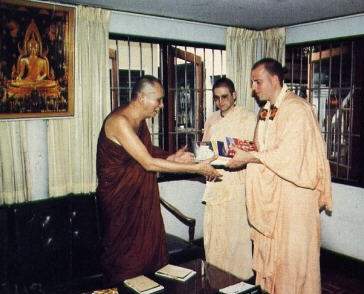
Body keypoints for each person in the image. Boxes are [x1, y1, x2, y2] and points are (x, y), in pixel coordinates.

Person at [96, 75, 221, 286]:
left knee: (151, 265)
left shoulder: (139, 122)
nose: (162, 106)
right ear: (142, 97)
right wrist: (195, 167)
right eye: (159, 100)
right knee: (126, 267)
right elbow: (148, 163)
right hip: (121, 204)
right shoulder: (119, 122)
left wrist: (169, 157)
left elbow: (144, 152)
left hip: (140, 201)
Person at [226, 58, 332, 294]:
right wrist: (240, 153)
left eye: (257, 82)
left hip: (295, 199)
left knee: (293, 263)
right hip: (273, 197)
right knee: (274, 260)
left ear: (274, 80)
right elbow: (261, 148)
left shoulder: (297, 109)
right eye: (253, 82)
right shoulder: (266, 111)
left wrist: (250, 157)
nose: (254, 88)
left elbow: (291, 156)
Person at [201, 77, 256, 280]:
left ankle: (241, 281)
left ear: (234, 95)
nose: (221, 102)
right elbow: (205, 148)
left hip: (237, 183)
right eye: (216, 98)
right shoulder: (212, 119)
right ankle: (216, 279)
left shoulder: (247, 118)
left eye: (225, 97)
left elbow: (254, 149)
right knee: (215, 236)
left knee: (236, 237)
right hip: (215, 182)